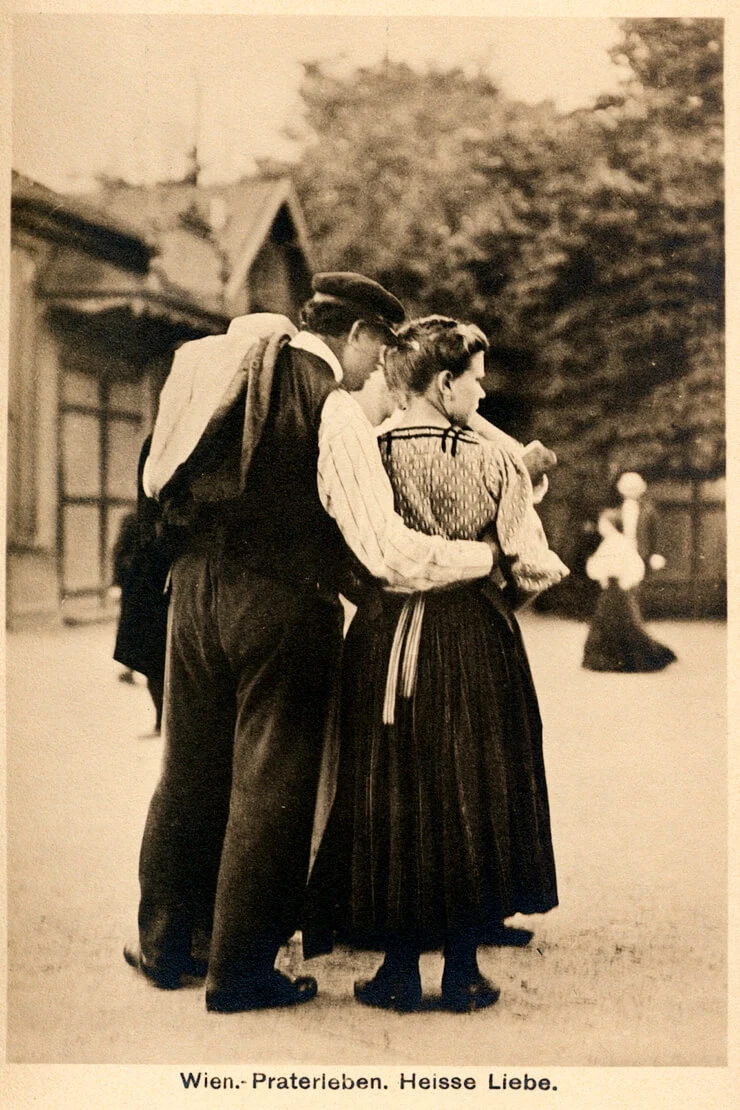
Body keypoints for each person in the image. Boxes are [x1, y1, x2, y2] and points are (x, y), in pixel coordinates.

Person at [124, 274, 503, 1013]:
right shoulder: (329, 407)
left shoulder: (230, 372)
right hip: (278, 601)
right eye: (381, 349)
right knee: (271, 783)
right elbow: (385, 547)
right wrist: (485, 560)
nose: (381, 371)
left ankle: (165, 943)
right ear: (357, 335)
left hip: (193, 593)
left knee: (188, 768)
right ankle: (239, 972)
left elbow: (156, 477)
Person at [305, 316, 568, 1012]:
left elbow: (352, 543)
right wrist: (503, 581)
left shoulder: (371, 449)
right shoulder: (494, 461)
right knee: (469, 791)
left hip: (384, 634)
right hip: (473, 636)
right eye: (476, 380)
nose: (483, 394)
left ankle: (395, 968)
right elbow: (527, 558)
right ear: (445, 383)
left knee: (391, 790)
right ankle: (460, 969)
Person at [112, 436, 170, 734]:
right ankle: (161, 721)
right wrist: (119, 581)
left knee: (161, 665)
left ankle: (164, 722)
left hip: (160, 596)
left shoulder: (167, 523)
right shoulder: (133, 522)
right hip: (141, 597)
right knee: (150, 662)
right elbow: (119, 555)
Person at [582, 508, 676, 672]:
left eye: (603, 523)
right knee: (606, 624)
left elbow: (634, 565)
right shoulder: (610, 542)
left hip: (619, 590)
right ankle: (607, 660)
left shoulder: (619, 541)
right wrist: (603, 577)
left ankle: (641, 658)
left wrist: (625, 581)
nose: (600, 526)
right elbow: (600, 566)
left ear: (610, 524)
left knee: (625, 626)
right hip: (611, 589)